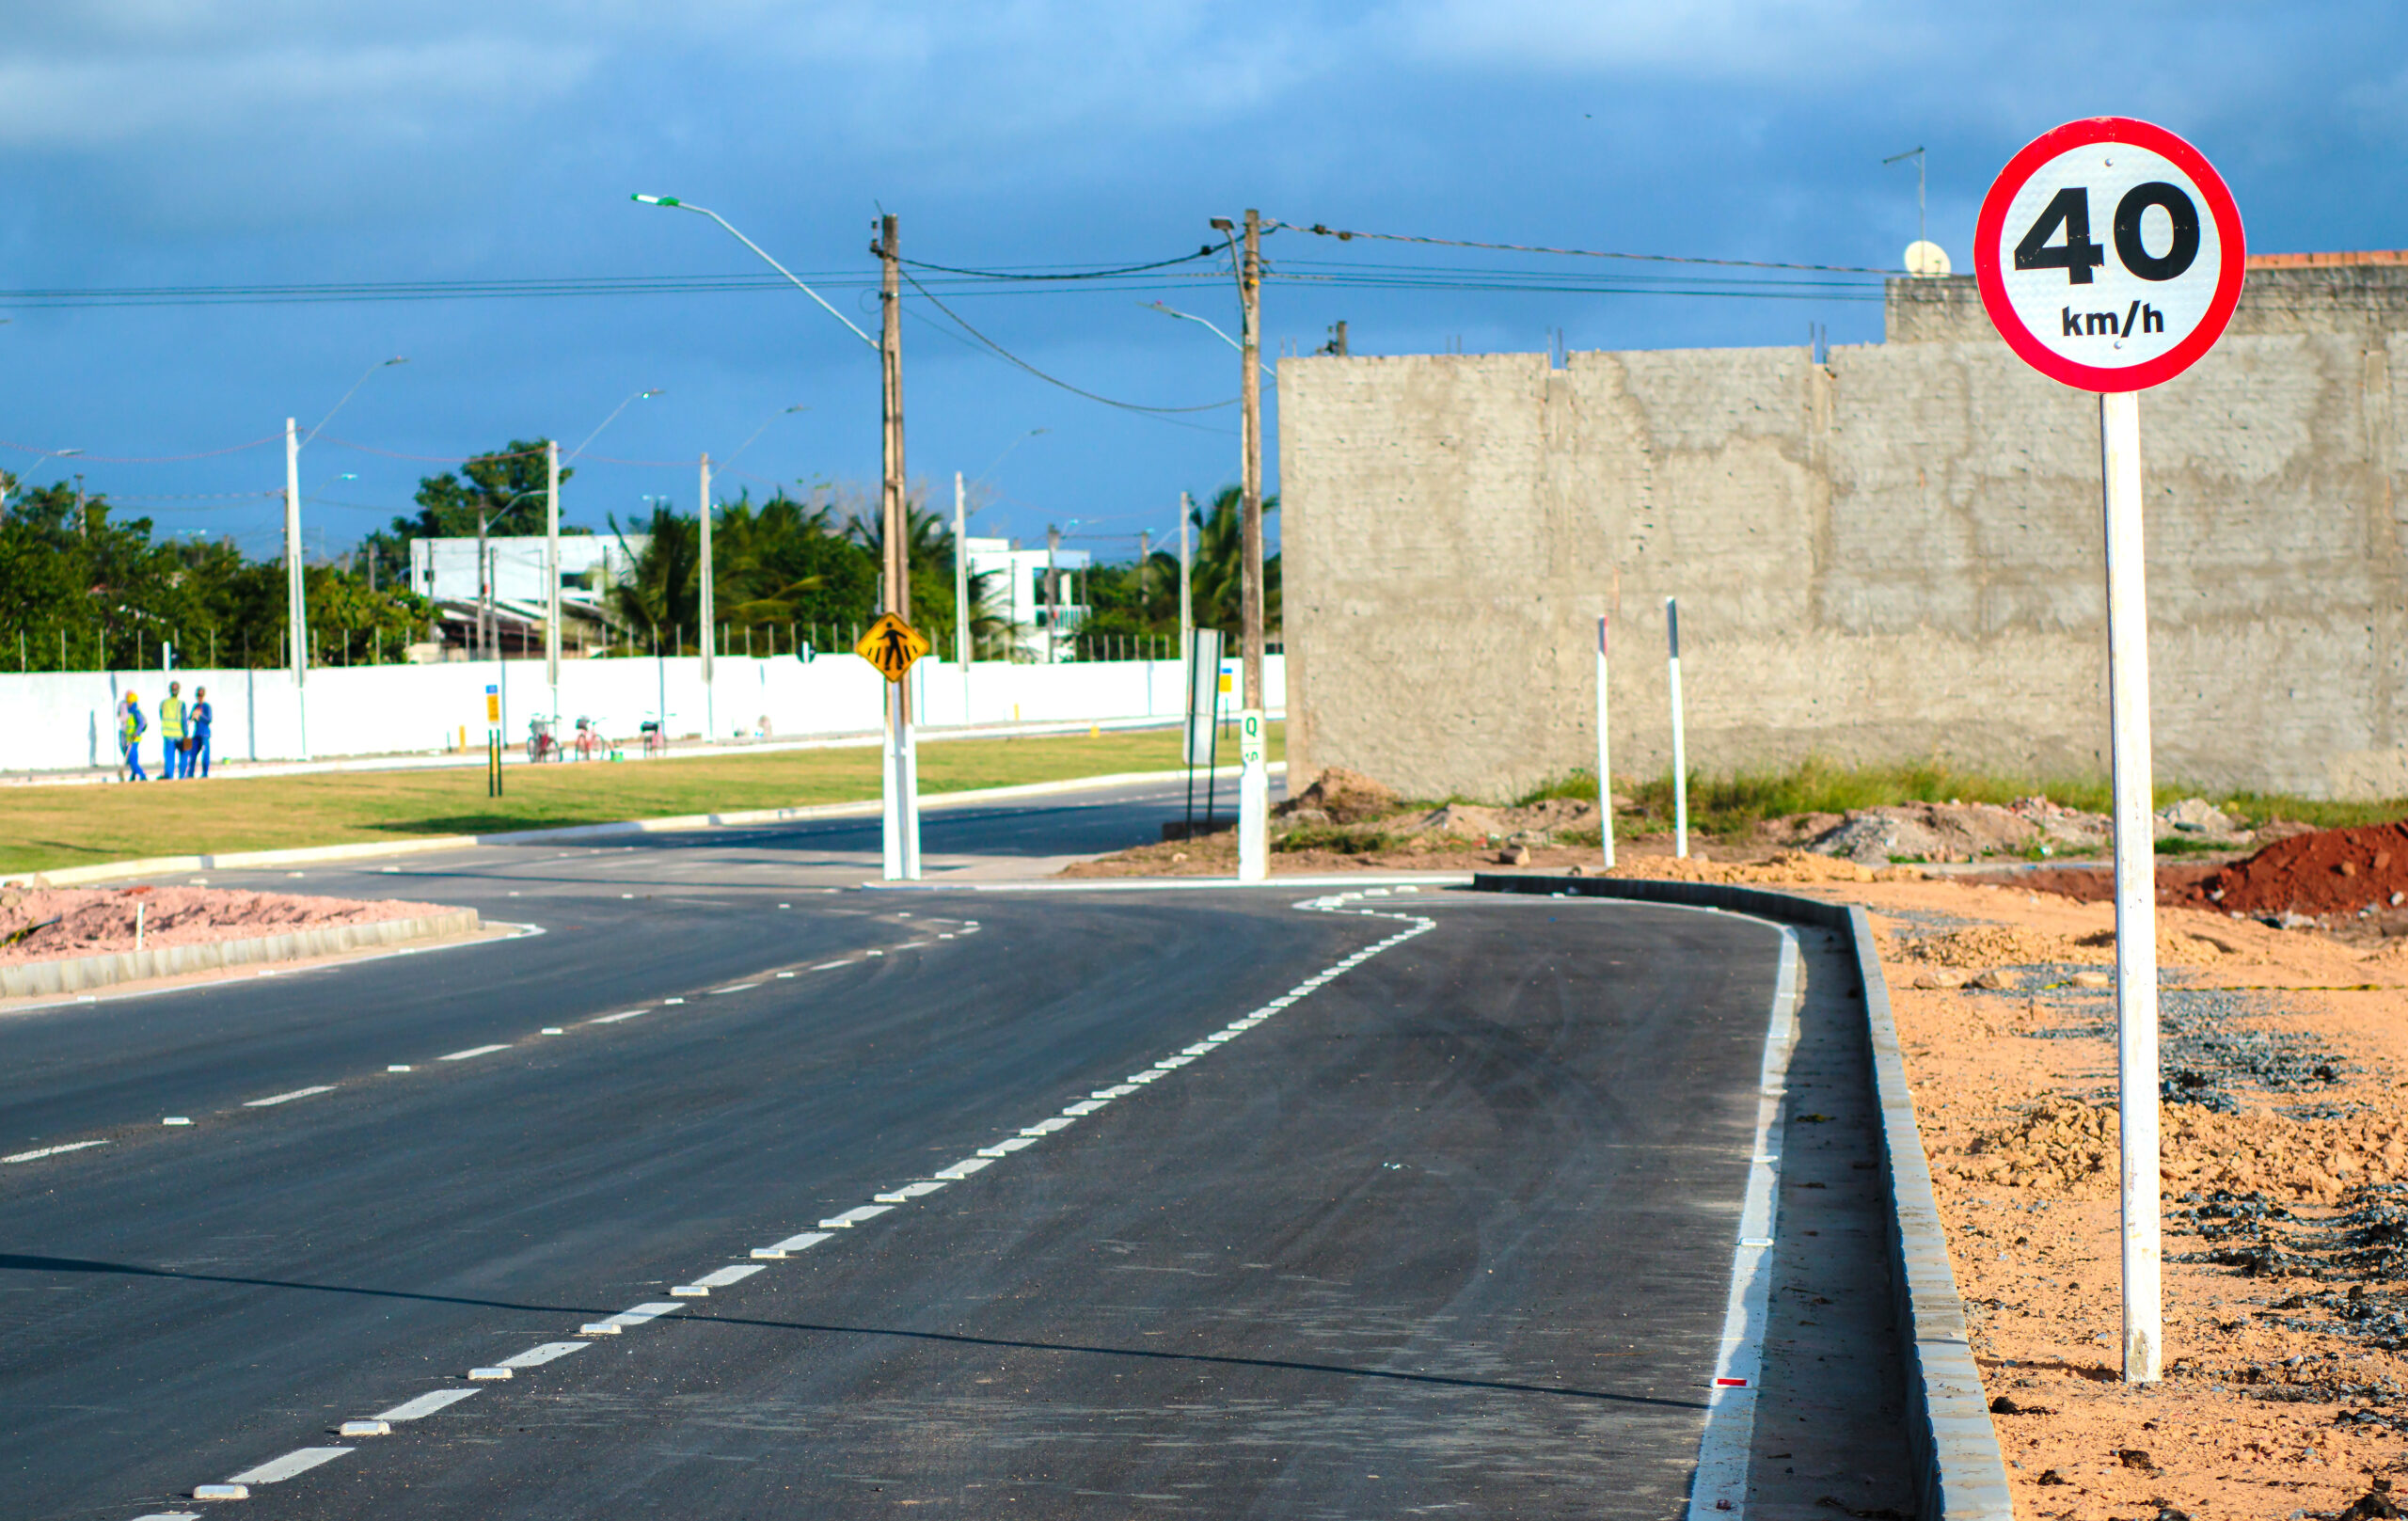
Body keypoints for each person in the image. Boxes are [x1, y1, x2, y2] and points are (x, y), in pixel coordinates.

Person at [158, 681, 187, 780]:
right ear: (178, 691)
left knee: (169, 757)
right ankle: (182, 776)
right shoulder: (181, 704)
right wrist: (186, 734)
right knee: (185, 753)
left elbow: (161, 716)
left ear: (170, 690)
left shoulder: (164, 703)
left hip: (167, 734)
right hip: (180, 734)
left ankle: (169, 776)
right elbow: (184, 721)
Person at [117, 691, 149, 782]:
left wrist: (136, 733)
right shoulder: (130, 712)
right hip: (129, 738)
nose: (129, 704)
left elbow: (141, 723)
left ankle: (142, 775)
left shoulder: (136, 712)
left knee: (132, 759)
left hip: (134, 739)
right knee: (133, 758)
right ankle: (133, 776)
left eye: (130, 702)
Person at [187, 687, 214, 779]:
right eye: (198, 695)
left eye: (201, 695)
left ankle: (205, 773)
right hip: (196, 734)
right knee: (192, 753)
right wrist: (192, 717)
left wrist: (200, 715)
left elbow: (209, 719)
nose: (199, 697)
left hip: (205, 734)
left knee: (205, 754)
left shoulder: (207, 706)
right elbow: (190, 718)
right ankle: (190, 773)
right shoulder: (195, 706)